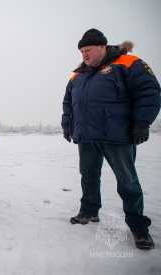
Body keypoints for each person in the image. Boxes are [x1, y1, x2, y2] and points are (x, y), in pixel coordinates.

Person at [61, 29, 161, 250]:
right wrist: (67, 124)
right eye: (81, 51)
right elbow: (68, 103)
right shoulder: (78, 74)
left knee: (127, 182)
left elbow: (149, 92)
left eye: (88, 50)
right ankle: (89, 211)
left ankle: (138, 226)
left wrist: (142, 122)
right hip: (87, 137)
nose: (84, 55)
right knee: (88, 176)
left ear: (102, 47)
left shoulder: (127, 63)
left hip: (117, 137)